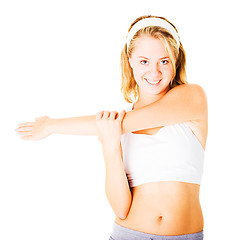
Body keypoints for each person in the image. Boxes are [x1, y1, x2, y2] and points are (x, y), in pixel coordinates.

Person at [16, 15, 208, 240]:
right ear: (130, 61)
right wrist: (110, 145)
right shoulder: (114, 127)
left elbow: (124, 123)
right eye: (144, 61)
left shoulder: (192, 97)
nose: (154, 72)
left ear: (176, 60)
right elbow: (121, 209)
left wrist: (51, 125)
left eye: (164, 61)